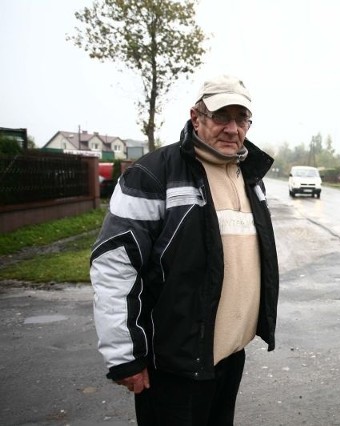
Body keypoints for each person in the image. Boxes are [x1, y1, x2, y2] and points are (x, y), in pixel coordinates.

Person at [90, 74, 279, 425]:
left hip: (228, 356)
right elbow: (115, 265)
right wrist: (124, 355)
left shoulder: (249, 176)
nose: (232, 128)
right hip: (173, 363)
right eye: (221, 116)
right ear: (196, 117)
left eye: (241, 119)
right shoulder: (153, 174)